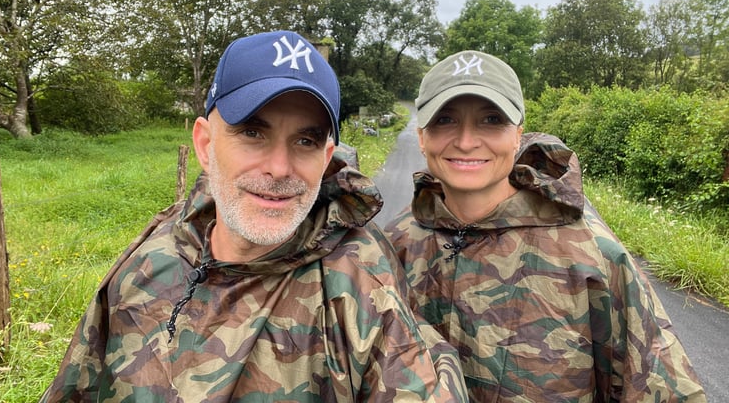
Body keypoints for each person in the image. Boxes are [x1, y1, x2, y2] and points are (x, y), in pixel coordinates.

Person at [40, 31, 467, 402]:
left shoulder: (362, 286)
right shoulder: (152, 257)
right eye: (252, 132)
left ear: (326, 158)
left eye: (305, 141)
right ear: (205, 145)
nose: (279, 168)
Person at [383, 50, 706, 402]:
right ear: (421, 136)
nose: (466, 141)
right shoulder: (394, 245)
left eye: (491, 119)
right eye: (445, 120)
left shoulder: (591, 254)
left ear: (518, 135)